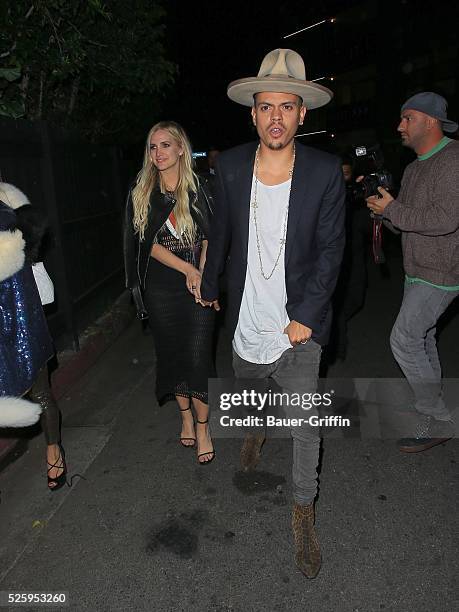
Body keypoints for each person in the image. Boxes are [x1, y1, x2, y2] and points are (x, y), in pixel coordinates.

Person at [200, 49, 345, 578]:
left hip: (299, 323)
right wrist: (211, 283)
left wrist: (307, 312)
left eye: (287, 106)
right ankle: (257, 428)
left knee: (307, 424)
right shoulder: (232, 166)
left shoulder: (326, 172)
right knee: (253, 388)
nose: (276, 117)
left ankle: (304, 510)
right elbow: (222, 235)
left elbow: (332, 250)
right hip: (246, 316)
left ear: (302, 113)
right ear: (254, 112)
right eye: (267, 107)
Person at [366, 92, 459, 453]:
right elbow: (407, 224)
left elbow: (445, 220)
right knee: (423, 340)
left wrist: (395, 210)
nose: (400, 125)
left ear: (431, 121)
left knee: (404, 340)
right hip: (417, 268)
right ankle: (432, 407)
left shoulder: (453, 159)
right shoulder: (414, 167)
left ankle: (437, 416)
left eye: (408, 118)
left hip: (442, 271)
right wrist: (383, 213)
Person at [124, 121, 216, 464]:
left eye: (165, 145)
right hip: (162, 286)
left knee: (198, 354)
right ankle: (186, 418)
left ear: (181, 149)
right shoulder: (142, 191)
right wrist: (188, 269)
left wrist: (203, 274)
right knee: (173, 354)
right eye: (153, 146)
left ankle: (204, 425)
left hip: (198, 282)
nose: (158, 153)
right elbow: (144, 244)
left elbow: (210, 234)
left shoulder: (200, 188)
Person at [0, 183, 66, 491]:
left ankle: (54, 450)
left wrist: (30, 261)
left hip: (24, 332)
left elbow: (46, 293)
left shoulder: (15, 220)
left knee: (41, 394)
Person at [329, 155, 370, 361]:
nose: (342, 179)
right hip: (333, 262)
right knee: (336, 307)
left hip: (354, 259)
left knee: (355, 300)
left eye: (346, 174)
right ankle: (337, 347)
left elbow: (367, 228)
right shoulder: (326, 196)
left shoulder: (356, 198)